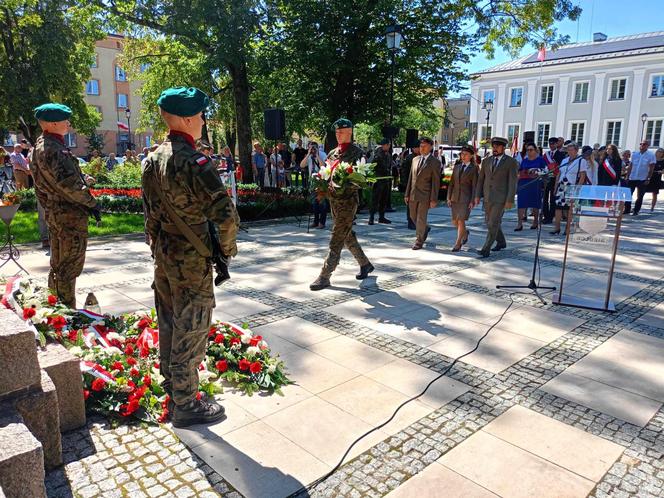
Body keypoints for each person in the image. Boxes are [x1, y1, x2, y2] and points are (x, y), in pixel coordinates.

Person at [142, 86, 240, 427]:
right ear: (187, 119)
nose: (202, 121)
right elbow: (226, 217)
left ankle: (172, 385)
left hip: (164, 257)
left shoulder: (153, 158)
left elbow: (149, 214)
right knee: (193, 325)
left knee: (168, 320)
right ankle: (186, 403)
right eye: (200, 116)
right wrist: (226, 251)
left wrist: (158, 248)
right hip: (191, 260)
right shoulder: (195, 162)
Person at [30, 103, 101, 307]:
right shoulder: (55, 150)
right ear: (53, 123)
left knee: (58, 266)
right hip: (70, 216)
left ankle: (55, 308)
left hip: (55, 213)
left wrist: (50, 206)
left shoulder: (39, 147)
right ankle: (67, 313)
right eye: (65, 120)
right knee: (69, 267)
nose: (68, 123)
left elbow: (41, 187)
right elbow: (71, 187)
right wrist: (92, 203)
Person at [310, 119, 373, 290]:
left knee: (336, 238)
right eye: (337, 132)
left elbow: (361, 181)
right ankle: (364, 263)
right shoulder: (332, 153)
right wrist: (322, 185)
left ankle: (324, 276)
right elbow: (327, 174)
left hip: (347, 202)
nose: (338, 134)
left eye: (342, 132)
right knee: (346, 235)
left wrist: (344, 182)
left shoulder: (357, 154)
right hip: (334, 201)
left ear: (350, 132)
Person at [474, 137, 518, 257]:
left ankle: (486, 248)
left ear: (503, 147)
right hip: (488, 197)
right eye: (493, 146)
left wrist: (510, 199)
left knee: (493, 222)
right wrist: (477, 195)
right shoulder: (486, 161)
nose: (495, 148)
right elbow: (481, 180)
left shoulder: (511, 162)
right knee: (489, 222)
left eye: (497, 146)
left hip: (501, 198)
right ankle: (501, 242)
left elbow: (512, 182)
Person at [404, 137, 441, 250]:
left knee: (421, 218)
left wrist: (434, 198)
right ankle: (425, 228)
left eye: (424, 146)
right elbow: (411, 177)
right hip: (413, 193)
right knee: (412, 216)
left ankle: (419, 240)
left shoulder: (435, 162)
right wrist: (407, 193)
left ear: (430, 147)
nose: (422, 148)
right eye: (420, 146)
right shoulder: (415, 160)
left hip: (426, 195)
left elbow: (436, 182)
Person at [551, 142, 587, 235]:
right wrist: (556, 186)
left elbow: (583, 175)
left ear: (576, 150)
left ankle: (567, 229)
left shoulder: (581, 160)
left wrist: (577, 188)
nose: (569, 152)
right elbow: (559, 173)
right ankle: (557, 228)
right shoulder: (565, 160)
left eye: (571, 150)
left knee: (568, 209)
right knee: (558, 207)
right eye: (568, 150)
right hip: (562, 185)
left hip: (571, 185)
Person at [447, 145, 478, 251]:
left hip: (466, 199)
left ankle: (458, 243)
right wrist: (448, 197)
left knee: (460, 220)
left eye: (466, 154)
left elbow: (475, 186)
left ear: (471, 156)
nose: (463, 156)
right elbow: (451, 183)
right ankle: (464, 233)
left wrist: (473, 200)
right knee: (454, 221)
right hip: (455, 197)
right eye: (462, 154)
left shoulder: (474, 168)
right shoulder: (457, 166)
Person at [515, 142, 546, 231]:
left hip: (535, 183)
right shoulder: (525, 160)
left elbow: (545, 171)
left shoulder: (540, 160)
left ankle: (535, 221)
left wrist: (536, 171)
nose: (529, 152)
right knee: (521, 203)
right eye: (527, 150)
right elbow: (519, 171)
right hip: (524, 183)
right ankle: (519, 223)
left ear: (535, 150)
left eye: (531, 150)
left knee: (535, 203)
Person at [625, 141, 656, 216]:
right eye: (641, 144)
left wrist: (648, 178)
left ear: (647, 146)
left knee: (640, 196)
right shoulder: (635, 154)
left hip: (642, 178)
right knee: (628, 194)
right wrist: (627, 176)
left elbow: (651, 168)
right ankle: (627, 209)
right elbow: (630, 166)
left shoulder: (651, 155)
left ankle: (636, 210)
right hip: (632, 177)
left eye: (644, 144)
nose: (642, 145)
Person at [541, 137, 565, 224]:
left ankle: (550, 217)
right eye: (550, 144)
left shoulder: (561, 154)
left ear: (556, 144)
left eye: (553, 144)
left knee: (553, 198)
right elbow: (543, 165)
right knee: (545, 198)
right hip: (547, 178)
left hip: (555, 178)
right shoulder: (546, 154)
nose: (551, 145)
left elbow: (561, 167)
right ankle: (545, 215)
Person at [369, 138, 392, 225]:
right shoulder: (377, 155)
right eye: (388, 145)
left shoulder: (388, 155)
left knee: (384, 199)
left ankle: (381, 217)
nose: (389, 146)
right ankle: (371, 217)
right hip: (378, 180)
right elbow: (373, 166)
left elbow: (389, 166)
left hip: (386, 180)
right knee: (375, 199)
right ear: (384, 145)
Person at [399, 143, 419, 229]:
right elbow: (404, 171)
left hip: (418, 185)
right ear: (413, 148)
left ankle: (415, 221)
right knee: (411, 205)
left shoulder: (420, 157)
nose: (419, 149)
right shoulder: (410, 158)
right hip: (410, 184)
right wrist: (405, 183)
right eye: (417, 147)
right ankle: (410, 222)